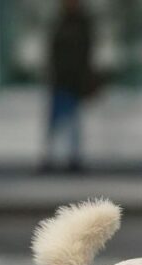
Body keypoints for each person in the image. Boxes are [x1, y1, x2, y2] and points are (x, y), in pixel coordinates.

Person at [41, 0, 96, 173]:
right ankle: (51, 157)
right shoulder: (61, 22)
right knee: (55, 122)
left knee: (71, 121)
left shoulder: (81, 24)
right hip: (60, 80)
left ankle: (71, 158)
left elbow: (85, 53)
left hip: (72, 81)